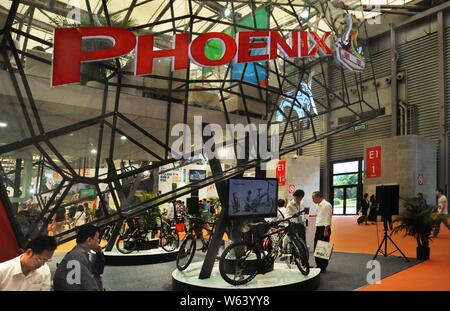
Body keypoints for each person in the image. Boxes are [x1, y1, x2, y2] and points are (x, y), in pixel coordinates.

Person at [53, 224, 105, 291]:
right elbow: (90, 286)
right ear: (89, 240)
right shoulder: (77, 257)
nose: (98, 241)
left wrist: (99, 253)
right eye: (97, 238)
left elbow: (97, 271)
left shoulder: (78, 253)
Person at [312, 191, 333, 273]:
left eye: (313, 198)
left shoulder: (327, 205)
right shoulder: (318, 205)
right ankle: (318, 265)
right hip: (319, 228)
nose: (312, 200)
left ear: (318, 197)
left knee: (323, 248)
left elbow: (328, 218)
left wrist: (326, 229)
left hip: (324, 229)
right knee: (317, 247)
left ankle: (323, 267)